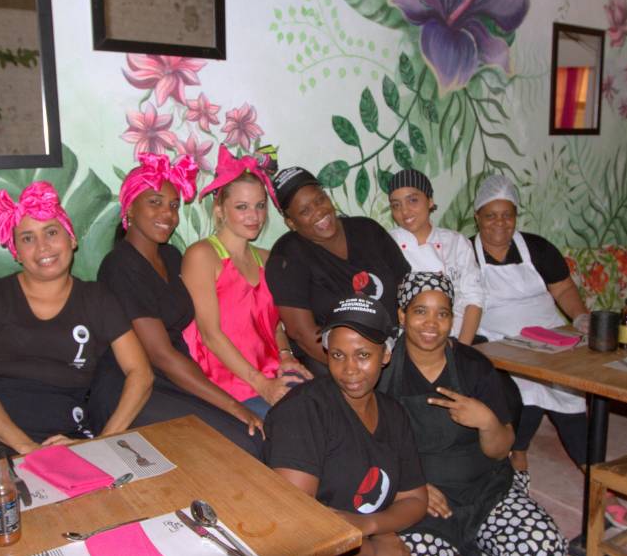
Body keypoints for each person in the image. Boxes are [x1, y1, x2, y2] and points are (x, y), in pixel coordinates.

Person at [0, 182, 153, 469]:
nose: (42, 247)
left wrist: (102, 443)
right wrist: (28, 450)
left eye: (51, 232)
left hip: (69, 440)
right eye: (27, 238)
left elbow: (140, 374)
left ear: (72, 239)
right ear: (16, 251)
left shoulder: (97, 299)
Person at [471, 174, 627, 528]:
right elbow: (466, 306)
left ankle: (601, 488)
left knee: (569, 399)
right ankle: (518, 458)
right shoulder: (466, 254)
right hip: (502, 341)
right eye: (490, 215)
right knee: (525, 392)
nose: (500, 223)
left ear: (516, 216)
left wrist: (580, 319)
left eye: (507, 215)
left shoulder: (537, 247)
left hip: (550, 338)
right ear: (477, 217)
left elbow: (563, 291)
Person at [378, 271, 567, 556]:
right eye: (420, 312)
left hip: (486, 492)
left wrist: (487, 422)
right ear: (402, 316)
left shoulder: (474, 366)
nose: (432, 323)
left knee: (543, 547)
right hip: (420, 500)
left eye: (442, 314)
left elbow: (500, 450)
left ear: (451, 319)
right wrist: (407, 487)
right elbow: (363, 447)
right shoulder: (383, 371)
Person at [94, 152, 264, 458]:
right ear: (130, 208)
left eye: (174, 206)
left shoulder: (171, 257)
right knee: (241, 441)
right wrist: (230, 403)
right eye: (155, 202)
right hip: (131, 387)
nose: (168, 214)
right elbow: (159, 353)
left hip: (171, 379)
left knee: (251, 436)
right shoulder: (119, 265)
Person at [265, 296, 428, 556]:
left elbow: (415, 500)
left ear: (385, 354)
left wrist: (373, 526)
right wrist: (372, 549)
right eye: (338, 355)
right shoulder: (304, 411)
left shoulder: (393, 413)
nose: (349, 369)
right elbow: (298, 517)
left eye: (363, 355)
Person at [182, 146, 311, 418]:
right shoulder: (202, 256)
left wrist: (286, 355)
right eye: (241, 207)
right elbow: (210, 335)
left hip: (272, 375)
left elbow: (273, 324)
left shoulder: (267, 259)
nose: (254, 216)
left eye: (260, 206)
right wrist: (261, 384)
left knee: (327, 411)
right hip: (227, 387)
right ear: (219, 209)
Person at [265, 166, 410, 375]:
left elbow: (405, 287)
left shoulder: (367, 230)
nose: (319, 212)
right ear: (291, 222)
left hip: (395, 348)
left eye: (320, 200)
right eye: (305, 211)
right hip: (342, 366)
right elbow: (303, 335)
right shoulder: (287, 256)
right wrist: (359, 369)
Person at [387, 169, 483, 344]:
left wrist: (462, 349)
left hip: (457, 337)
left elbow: (473, 298)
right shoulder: (386, 243)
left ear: (430, 201)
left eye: (413, 200)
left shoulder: (456, 242)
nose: (405, 211)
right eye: (396, 205)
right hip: (408, 342)